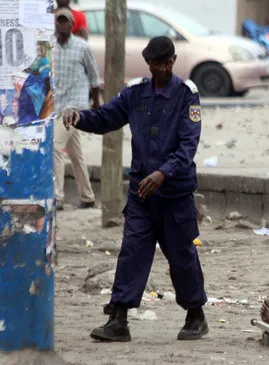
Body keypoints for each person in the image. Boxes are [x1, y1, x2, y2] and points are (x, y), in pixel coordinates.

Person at [62, 36, 209, 343]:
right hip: (142, 194)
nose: (164, 68)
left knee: (182, 256)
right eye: (159, 63)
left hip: (175, 194)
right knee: (132, 252)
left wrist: (163, 173)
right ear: (149, 63)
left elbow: (187, 146)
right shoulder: (135, 93)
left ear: (173, 60)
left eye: (169, 62)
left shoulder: (186, 95)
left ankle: (195, 314)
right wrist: (80, 118)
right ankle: (119, 318)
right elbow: (106, 118)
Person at [53, 8, 100, 210]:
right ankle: (88, 196)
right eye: (59, 21)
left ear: (72, 25)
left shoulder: (82, 47)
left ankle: (57, 198)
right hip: (57, 105)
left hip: (75, 107)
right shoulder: (50, 47)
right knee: (75, 153)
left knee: (55, 146)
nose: (62, 24)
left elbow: (94, 77)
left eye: (66, 21)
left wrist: (96, 104)